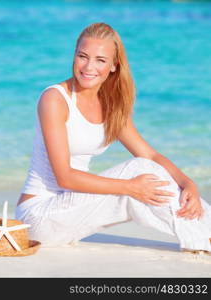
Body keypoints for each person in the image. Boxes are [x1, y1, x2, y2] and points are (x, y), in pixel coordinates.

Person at [15, 22, 211, 252]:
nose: (88, 67)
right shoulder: (55, 100)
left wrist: (188, 184)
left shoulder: (111, 106)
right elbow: (64, 178)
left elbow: (150, 154)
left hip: (74, 211)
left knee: (146, 172)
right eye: (83, 56)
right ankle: (204, 238)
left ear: (113, 66)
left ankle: (203, 235)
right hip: (39, 217)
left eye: (100, 60)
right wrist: (129, 187)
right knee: (138, 173)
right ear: (74, 56)